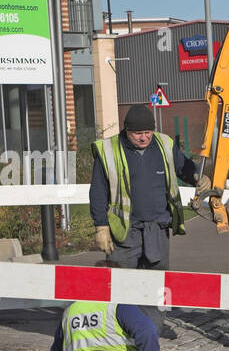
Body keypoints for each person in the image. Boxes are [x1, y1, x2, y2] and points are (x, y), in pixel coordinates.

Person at [89, 104, 208, 272]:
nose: (144, 138)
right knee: (122, 286)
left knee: (156, 288)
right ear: (127, 131)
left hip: (157, 231)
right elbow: (98, 192)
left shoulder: (164, 144)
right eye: (138, 134)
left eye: (148, 132)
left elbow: (183, 167)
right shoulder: (109, 149)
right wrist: (101, 226)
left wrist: (198, 176)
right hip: (124, 232)